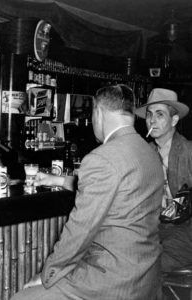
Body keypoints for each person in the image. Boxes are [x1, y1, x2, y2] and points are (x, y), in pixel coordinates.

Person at [11, 84, 164, 300]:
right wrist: (56, 179)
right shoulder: (151, 154)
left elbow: (80, 231)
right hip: (147, 279)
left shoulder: (101, 158)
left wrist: (48, 275)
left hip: (110, 282)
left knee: (22, 298)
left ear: (99, 112)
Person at [135, 87, 192, 272]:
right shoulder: (144, 153)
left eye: (160, 114)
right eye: (149, 114)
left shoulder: (188, 152)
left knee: (146, 269)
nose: (152, 120)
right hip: (153, 231)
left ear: (174, 120)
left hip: (185, 232)